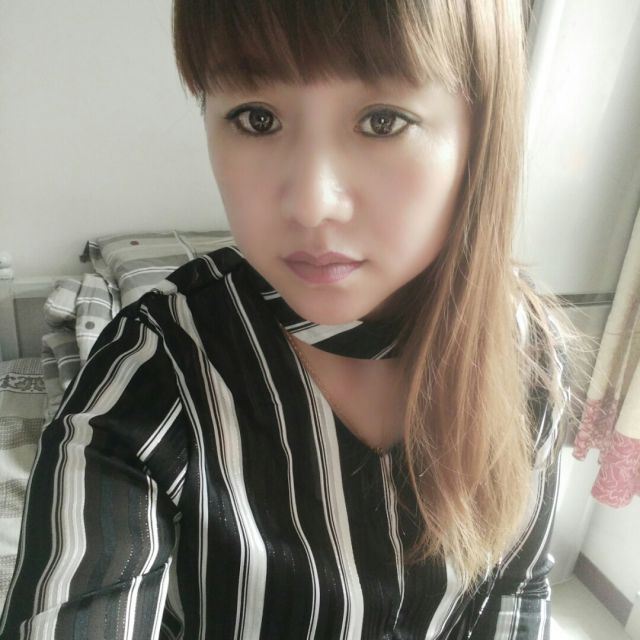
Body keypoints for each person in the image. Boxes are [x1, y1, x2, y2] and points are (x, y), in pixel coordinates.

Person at [0, 1, 577, 638]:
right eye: (257, 118)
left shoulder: (528, 348)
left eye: (382, 121)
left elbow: (518, 589)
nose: (309, 204)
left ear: (481, 133)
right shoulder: (154, 373)